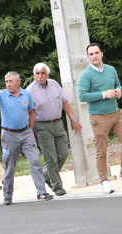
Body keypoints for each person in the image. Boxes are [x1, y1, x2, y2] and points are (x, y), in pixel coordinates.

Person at [0, 72, 51, 205]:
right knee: (9, 166)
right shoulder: (2, 94)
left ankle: (41, 192)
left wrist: (31, 129)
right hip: (9, 134)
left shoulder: (27, 94)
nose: (8, 84)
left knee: (35, 160)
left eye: (11, 81)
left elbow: (31, 112)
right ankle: (7, 195)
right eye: (6, 82)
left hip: (26, 133)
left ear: (18, 82)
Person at [77, 43, 122, 194]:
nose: (94, 56)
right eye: (91, 54)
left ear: (102, 54)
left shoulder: (111, 69)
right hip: (98, 117)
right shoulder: (86, 75)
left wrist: (119, 90)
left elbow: (118, 84)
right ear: (88, 57)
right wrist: (103, 94)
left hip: (116, 113)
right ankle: (104, 181)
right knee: (101, 151)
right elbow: (82, 96)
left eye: (96, 53)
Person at [26, 62, 83, 196]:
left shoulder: (54, 84)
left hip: (58, 123)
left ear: (47, 74)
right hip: (42, 126)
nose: (40, 76)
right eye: (37, 73)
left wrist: (73, 120)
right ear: (34, 75)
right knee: (50, 158)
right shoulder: (29, 90)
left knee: (63, 154)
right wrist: (31, 130)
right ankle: (57, 186)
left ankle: (47, 175)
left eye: (42, 73)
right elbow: (28, 113)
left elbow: (65, 102)